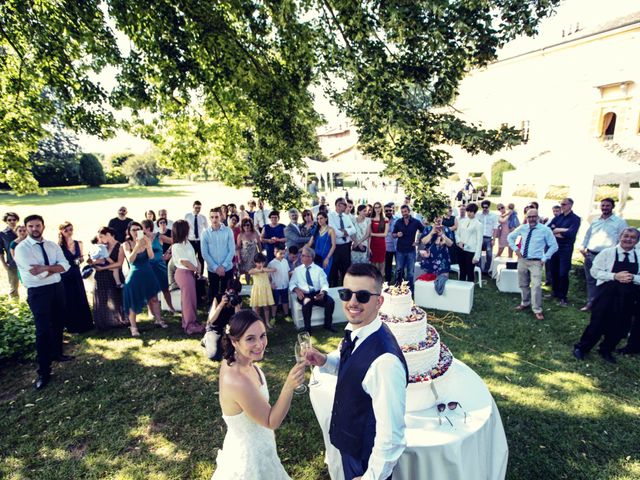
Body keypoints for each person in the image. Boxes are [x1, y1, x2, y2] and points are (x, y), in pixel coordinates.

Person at [305, 263, 408, 480]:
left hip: (366, 460)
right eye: (346, 293)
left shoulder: (385, 363)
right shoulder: (358, 329)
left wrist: (370, 477)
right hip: (351, 446)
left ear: (379, 301)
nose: (352, 302)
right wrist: (325, 361)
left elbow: (392, 437)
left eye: (362, 296)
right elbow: (353, 365)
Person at [211, 310, 305, 480]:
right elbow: (271, 421)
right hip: (251, 458)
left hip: (260, 444)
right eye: (250, 339)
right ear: (234, 342)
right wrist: (289, 386)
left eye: (262, 336)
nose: (260, 344)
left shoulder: (234, 359)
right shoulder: (237, 380)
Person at [14, 215, 72, 390]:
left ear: (43, 226)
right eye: (30, 226)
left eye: (37, 225)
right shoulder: (22, 249)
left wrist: (46, 268)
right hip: (39, 293)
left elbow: (66, 265)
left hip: (57, 288)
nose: (34, 229)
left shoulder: (52, 245)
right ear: (25, 228)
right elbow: (35, 274)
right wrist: (54, 269)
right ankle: (44, 371)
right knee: (43, 330)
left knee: (58, 323)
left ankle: (57, 354)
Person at [573, 228, 640, 363]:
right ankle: (582, 348)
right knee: (597, 323)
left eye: (633, 237)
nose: (628, 239)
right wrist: (615, 276)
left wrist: (632, 277)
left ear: (637, 241)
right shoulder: (607, 253)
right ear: (620, 237)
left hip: (628, 297)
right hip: (607, 295)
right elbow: (595, 271)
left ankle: (606, 350)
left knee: (620, 325)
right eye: (626, 236)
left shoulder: (639, 255)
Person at [508, 209, 558, 321]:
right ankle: (525, 302)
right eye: (529, 217)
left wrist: (545, 258)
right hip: (523, 260)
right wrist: (516, 249)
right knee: (523, 283)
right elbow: (510, 237)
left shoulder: (545, 230)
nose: (531, 219)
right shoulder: (523, 227)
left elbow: (554, 246)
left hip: (536, 262)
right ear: (526, 217)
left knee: (536, 286)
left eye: (534, 216)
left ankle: (537, 309)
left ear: (538, 217)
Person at [579, 198, 628, 312]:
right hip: (591, 255)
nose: (605, 208)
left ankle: (603, 305)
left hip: (608, 257)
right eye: (603, 205)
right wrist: (583, 246)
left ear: (612, 207)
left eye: (607, 205)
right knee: (591, 280)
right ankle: (591, 303)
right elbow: (588, 235)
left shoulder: (619, 222)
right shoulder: (595, 221)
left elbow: (623, 239)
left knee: (605, 281)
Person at [122, 221, 163, 336]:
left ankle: (159, 320)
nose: (135, 232)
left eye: (138, 229)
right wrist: (137, 246)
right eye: (133, 230)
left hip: (148, 273)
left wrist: (148, 245)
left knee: (154, 298)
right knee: (133, 302)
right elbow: (130, 259)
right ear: (129, 232)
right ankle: (133, 327)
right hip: (135, 275)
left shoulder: (146, 240)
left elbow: (151, 257)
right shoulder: (126, 244)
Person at [289, 246, 336, 333]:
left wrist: (322, 293)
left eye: (303, 255)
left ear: (310, 258)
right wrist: (296, 290)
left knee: (330, 302)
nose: (300, 257)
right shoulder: (297, 270)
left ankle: (328, 325)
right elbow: (291, 284)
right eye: (301, 255)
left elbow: (324, 284)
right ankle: (307, 329)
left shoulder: (319, 270)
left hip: (317, 293)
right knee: (307, 303)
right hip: (304, 294)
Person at [171, 220, 206, 335]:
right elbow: (184, 261)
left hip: (189, 273)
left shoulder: (187, 243)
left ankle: (187, 322)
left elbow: (193, 257)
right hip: (184, 273)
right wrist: (195, 269)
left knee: (189, 299)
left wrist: (198, 266)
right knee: (188, 300)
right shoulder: (176, 246)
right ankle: (190, 326)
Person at [58, 222, 94, 333]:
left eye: (70, 229)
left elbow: (80, 258)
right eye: (66, 230)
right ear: (61, 232)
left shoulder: (79, 243)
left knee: (80, 296)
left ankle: (86, 323)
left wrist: (80, 260)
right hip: (65, 274)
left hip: (76, 272)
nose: (69, 232)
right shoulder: (59, 246)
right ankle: (72, 325)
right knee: (69, 298)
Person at [90, 227, 127, 330]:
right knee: (102, 300)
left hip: (114, 275)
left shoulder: (120, 246)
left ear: (109, 234)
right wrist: (93, 262)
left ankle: (119, 321)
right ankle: (103, 323)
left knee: (116, 299)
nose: (100, 239)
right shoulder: (102, 247)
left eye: (101, 236)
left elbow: (119, 264)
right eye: (99, 237)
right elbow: (94, 258)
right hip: (101, 276)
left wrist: (104, 268)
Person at [548, 198, 581, 306]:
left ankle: (563, 297)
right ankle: (555, 292)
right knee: (553, 271)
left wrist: (557, 230)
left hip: (566, 249)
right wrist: (562, 230)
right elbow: (549, 229)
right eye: (561, 204)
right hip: (554, 247)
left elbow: (571, 234)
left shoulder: (575, 219)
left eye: (564, 204)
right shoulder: (558, 217)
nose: (562, 206)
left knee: (563, 273)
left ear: (571, 205)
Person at [202, 208, 236, 304]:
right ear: (209, 218)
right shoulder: (205, 233)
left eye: (216, 217)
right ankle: (213, 313)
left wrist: (223, 266)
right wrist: (216, 267)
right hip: (213, 269)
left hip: (227, 268)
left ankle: (227, 313)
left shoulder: (228, 231)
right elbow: (205, 253)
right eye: (212, 217)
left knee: (228, 292)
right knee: (213, 293)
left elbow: (231, 250)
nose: (214, 219)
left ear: (220, 216)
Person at [142, 219, 175, 316]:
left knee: (165, 289)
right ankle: (151, 311)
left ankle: (171, 307)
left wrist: (168, 254)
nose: (140, 230)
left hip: (160, 266)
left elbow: (174, 242)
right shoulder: (141, 238)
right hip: (147, 267)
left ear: (148, 228)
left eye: (142, 228)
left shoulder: (158, 236)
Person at [206, 279, 243, 361]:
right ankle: (206, 339)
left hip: (228, 330)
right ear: (226, 290)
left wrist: (236, 306)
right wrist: (221, 304)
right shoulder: (218, 297)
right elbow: (211, 320)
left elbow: (238, 321)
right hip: (215, 328)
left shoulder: (238, 300)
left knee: (233, 352)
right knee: (214, 355)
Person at [418, 216, 455, 290]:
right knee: (429, 284)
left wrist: (442, 235)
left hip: (443, 260)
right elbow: (424, 241)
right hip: (430, 259)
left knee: (443, 283)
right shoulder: (428, 228)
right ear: (433, 218)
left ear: (442, 218)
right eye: (436, 217)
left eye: (440, 217)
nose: (438, 219)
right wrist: (431, 233)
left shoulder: (447, 229)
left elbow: (450, 244)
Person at [392, 205, 422, 292]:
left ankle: (410, 290)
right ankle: (398, 288)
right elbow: (393, 235)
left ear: (409, 211)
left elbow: (423, 231)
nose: (404, 213)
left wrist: (417, 241)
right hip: (400, 250)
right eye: (402, 212)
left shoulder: (416, 222)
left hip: (411, 250)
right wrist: (397, 234)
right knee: (399, 270)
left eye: (405, 211)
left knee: (410, 272)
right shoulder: (398, 222)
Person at [328, 198, 357, 287]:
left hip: (346, 247)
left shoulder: (346, 216)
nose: (346, 206)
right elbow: (335, 233)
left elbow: (353, 230)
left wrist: (344, 231)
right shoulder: (330, 216)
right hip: (335, 247)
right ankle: (334, 288)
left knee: (346, 268)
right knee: (334, 269)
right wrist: (346, 232)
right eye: (344, 204)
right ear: (338, 205)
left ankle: (345, 287)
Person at [456, 203, 483, 283]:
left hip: (471, 251)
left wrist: (477, 256)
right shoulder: (462, 221)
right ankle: (461, 288)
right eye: (467, 211)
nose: (468, 213)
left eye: (471, 211)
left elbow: (479, 241)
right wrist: (459, 241)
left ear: (475, 212)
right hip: (461, 249)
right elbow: (457, 234)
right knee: (462, 270)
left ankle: (469, 290)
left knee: (470, 271)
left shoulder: (478, 224)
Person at [249, 253, 276, 325]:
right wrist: (259, 270)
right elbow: (250, 272)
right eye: (259, 262)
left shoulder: (265, 270)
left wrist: (264, 270)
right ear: (255, 262)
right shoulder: (253, 270)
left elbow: (274, 270)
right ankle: (257, 322)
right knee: (257, 308)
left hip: (265, 290)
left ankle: (267, 322)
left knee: (266, 307)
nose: (261, 264)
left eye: (262, 262)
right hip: (257, 291)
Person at [307, 211, 336, 278]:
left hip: (326, 257)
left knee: (324, 277)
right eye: (318, 219)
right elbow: (309, 243)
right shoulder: (316, 230)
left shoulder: (331, 230)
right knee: (316, 277)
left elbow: (333, 246)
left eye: (321, 218)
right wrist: (300, 250)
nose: (319, 220)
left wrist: (327, 258)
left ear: (326, 219)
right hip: (316, 257)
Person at [185, 200, 208, 275]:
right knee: (191, 258)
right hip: (191, 240)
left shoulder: (203, 217)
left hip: (200, 241)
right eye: (196, 208)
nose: (197, 210)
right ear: (193, 207)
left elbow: (207, 229)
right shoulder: (188, 216)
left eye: (199, 208)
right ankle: (191, 274)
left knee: (201, 259)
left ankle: (200, 275)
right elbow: (185, 227)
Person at [1, 212, 20, 298]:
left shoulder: (23, 231)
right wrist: (4, 264)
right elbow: (0, 251)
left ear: (17, 220)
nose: (12, 221)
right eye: (9, 220)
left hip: (26, 263)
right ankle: (15, 307)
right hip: (12, 264)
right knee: (13, 288)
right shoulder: (2, 234)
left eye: (14, 219)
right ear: (6, 221)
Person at [269, 245, 290, 319]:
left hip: (285, 285)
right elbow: (268, 276)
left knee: (285, 300)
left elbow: (287, 272)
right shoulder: (271, 263)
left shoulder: (285, 261)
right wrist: (270, 284)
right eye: (280, 254)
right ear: (275, 253)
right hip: (276, 286)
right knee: (275, 302)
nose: (283, 255)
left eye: (284, 253)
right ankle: (273, 316)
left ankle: (286, 314)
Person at [237, 218, 261, 284]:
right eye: (244, 225)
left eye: (248, 225)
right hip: (245, 256)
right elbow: (238, 248)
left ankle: (256, 285)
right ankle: (247, 285)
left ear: (251, 225)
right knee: (246, 272)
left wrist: (260, 253)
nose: (246, 226)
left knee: (255, 271)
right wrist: (239, 258)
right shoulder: (240, 235)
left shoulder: (255, 233)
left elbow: (259, 244)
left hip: (254, 255)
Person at [478, 200, 499, 274]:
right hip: (479, 237)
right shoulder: (478, 215)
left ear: (488, 207)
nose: (484, 209)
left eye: (486, 207)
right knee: (478, 254)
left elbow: (495, 228)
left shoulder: (493, 215)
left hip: (488, 238)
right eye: (483, 207)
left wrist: (494, 239)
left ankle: (486, 270)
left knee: (489, 255)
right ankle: (479, 269)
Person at [369, 202, 389, 274]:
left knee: (381, 263)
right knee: (373, 264)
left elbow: (385, 234)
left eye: (379, 207)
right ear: (373, 209)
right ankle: (373, 282)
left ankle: (381, 281)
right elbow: (369, 235)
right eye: (375, 207)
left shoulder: (385, 219)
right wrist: (369, 247)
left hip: (381, 244)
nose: (377, 209)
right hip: (373, 244)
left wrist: (372, 234)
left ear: (381, 208)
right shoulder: (371, 220)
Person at [383, 203, 398, 283]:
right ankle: (388, 281)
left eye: (390, 210)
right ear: (384, 211)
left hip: (397, 246)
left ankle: (398, 281)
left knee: (398, 265)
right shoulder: (382, 220)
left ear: (393, 210)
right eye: (386, 211)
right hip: (387, 246)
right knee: (388, 265)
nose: (388, 212)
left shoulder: (398, 219)